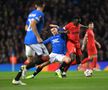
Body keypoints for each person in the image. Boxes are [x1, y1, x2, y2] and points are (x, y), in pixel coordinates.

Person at [12, 0, 49, 85]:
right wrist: (38, 36)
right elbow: (32, 24)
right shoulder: (40, 13)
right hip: (34, 40)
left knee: (30, 59)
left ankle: (16, 79)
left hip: (27, 40)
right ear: (43, 5)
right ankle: (26, 68)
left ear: (36, 5)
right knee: (46, 58)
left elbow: (26, 27)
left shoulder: (31, 13)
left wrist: (38, 31)